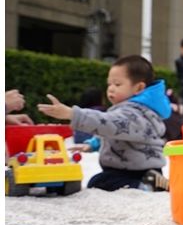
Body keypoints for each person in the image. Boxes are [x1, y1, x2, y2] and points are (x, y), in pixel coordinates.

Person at [37, 55, 171, 192]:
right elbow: (114, 132)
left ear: (139, 88)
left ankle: (147, 185)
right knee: (100, 180)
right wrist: (93, 144)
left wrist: (72, 114)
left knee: (99, 182)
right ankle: (151, 181)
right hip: (137, 168)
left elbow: (108, 123)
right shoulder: (136, 110)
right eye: (109, 84)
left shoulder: (134, 113)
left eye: (117, 84)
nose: (111, 89)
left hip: (136, 171)